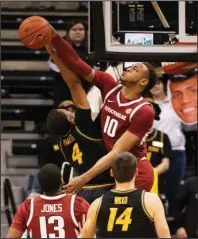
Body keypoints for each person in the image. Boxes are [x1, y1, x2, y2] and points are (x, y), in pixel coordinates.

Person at [49, 26, 157, 194]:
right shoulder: (109, 85)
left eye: (135, 69)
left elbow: (117, 151)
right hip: (113, 168)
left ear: (143, 82)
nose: (128, 68)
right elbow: (76, 64)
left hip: (134, 170)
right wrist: (55, 38)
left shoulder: (143, 111)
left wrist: (83, 178)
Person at [45, 45, 114, 203]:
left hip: (83, 193)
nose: (71, 110)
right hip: (105, 188)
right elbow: (74, 84)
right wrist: (54, 54)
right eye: (67, 111)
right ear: (70, 119)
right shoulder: (82, 125)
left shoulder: (63, 144)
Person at [79, 152, 171, 238]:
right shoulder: (152, 201)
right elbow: (165, 236)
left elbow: (85, 236)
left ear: (111, 173)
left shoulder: (97, 203)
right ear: (137, 172)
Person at [6, 164, 89, 238]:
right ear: (62, 180)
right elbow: (91, 234)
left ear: (40, 184)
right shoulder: (78, 204)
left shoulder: (28, 206)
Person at [149, 77, 186, 216]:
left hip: (176, 150)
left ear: (164, 85)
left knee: (174, 189)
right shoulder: (147, 105)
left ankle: (176, 224)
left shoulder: (175, 102)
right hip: (156, 152)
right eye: (152, 84)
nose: (155, 86)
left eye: (158, 83)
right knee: (156, 188)